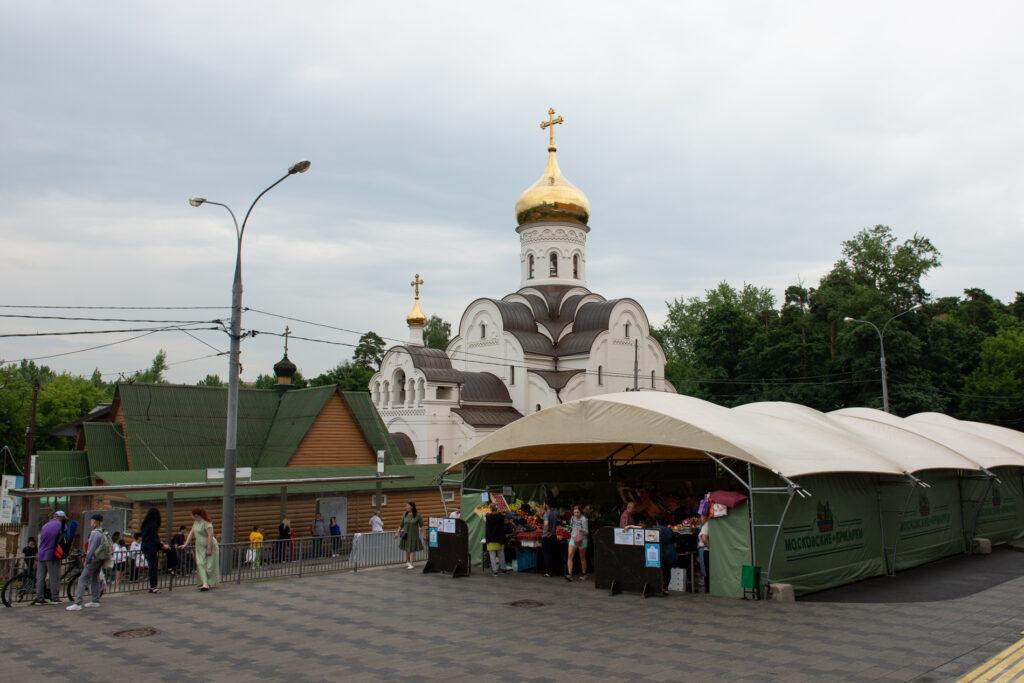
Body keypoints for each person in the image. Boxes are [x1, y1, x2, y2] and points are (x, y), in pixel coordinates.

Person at [67, 514, 106, 611]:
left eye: (91, 521)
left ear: (94, 522)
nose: (90, 523)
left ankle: (78, 602)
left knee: (82, 579)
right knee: (95, 578)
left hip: (93, 559)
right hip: (100, 558)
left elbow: (91, 549)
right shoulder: (102, 531)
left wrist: (87, 560)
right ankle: (95, 600)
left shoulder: (94, 533)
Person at [181, 507, 219, 591]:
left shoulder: (207, 523)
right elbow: (191, 533)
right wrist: (185, 544)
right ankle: (205, 583)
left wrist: (209, 548)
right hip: (199, 546)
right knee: (200, 563)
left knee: (209, 566)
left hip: (210, 545)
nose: (191, 516)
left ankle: (210, 582)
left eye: (192, 515)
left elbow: (210, 535)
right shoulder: (195, 523)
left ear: (196, 515)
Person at [33, 511, 66, 605]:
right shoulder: (61, 525)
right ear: (61, 517)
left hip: (41, 554)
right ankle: (54, 597)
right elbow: (65, 537)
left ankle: (39, 598)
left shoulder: (45, 525)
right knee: (54, 577)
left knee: (40, 577)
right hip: (52, 554)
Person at [140, 508, 170, 593]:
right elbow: (154, 538)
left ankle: (152, 586)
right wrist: (162, 545)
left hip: (145, 547)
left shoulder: (145, 524)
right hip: (151, 548)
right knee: (153, 567)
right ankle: (154, 586)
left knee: (151, 566)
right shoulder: (153, 525)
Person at [652, 514, 678, 595]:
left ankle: (657, 588)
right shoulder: (669, 530)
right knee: (667, 571)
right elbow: (675, 543)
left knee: (657, 570)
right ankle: (665, 588)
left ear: (656, 521)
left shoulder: (653, 529)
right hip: (668, 552)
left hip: (656, 552)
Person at [394, 501, 423, 569]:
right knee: (407, 549)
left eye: (407, 506)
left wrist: (424, 535)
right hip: (406, 535)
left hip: (414, 535)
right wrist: (397, 532)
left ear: (411, 507)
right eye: (406, 506)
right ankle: (408, 561)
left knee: (411, 549)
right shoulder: (405, 514)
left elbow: (422, 526)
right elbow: (401, 525)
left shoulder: (417, 515)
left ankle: (411, 564)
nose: (406, 507)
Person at [484, 503, 509, 576]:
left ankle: (495, 571)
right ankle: (503, 569)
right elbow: (506, 522)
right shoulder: (501, 516)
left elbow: (485, 521)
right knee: (501, 554)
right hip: (500, 538)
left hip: (491, 538)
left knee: (492, 555)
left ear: (490, 509)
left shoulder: (487, 516)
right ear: (497, 509)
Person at [565, 505, 589, 581]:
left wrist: (582, 530)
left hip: (582, 539)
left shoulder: (584, 519)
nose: (576, 514)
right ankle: (570, 574)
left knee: (582, 557)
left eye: (577, 512)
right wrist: (568, 529)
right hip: (573, 538)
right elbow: (571, 527)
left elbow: (587, 532)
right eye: (575, 512)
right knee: (570, 555)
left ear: (580, 512)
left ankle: (584, 573)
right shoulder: (572, 518)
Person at [540, 501, 559, 578]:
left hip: (547, 536)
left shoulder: (547, 514)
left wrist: (547, 531)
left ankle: (548, 572)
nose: (543, 505)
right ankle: (553, 570)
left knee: (547, 554)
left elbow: (546, 524)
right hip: (554, 535)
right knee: (552, 554)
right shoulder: (555, 512)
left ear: (547, 505)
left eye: (544, 504)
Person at [698, 514, 710, 593]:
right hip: (705, 549)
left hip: (704, 549)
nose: (701, 518)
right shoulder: (708, 525)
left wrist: (709, 546)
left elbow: (704, 538)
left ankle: (707, 589)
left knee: (705, 570)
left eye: (702, 516)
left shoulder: (706, 525)